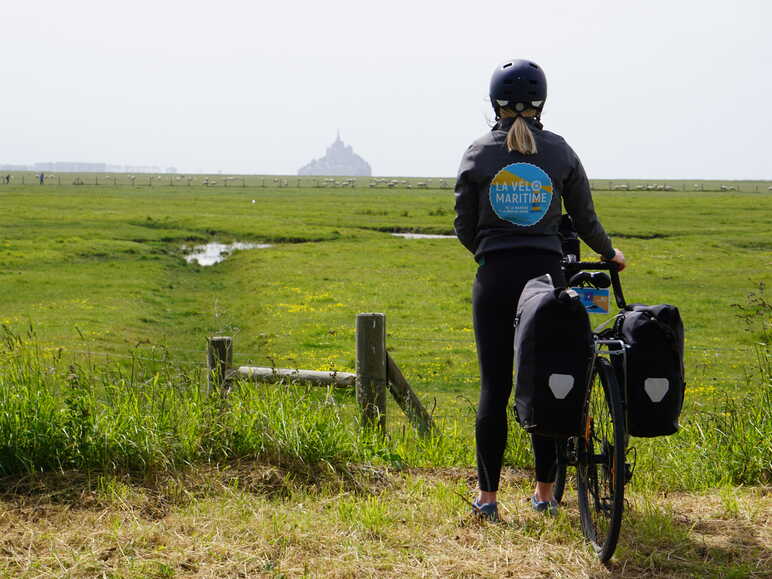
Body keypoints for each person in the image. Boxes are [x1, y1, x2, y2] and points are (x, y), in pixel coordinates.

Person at [453, 59, 626, 521]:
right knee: (548, 380)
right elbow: (586, 219)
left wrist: (491, 252)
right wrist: (610, 254)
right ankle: (545, 496)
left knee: (495, 386)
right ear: (542, 103)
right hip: (548, 278)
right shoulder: (560, 151)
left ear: (495, 103)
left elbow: (463, 226)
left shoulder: (477, 152)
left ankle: (488, 501)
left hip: (495, 278)